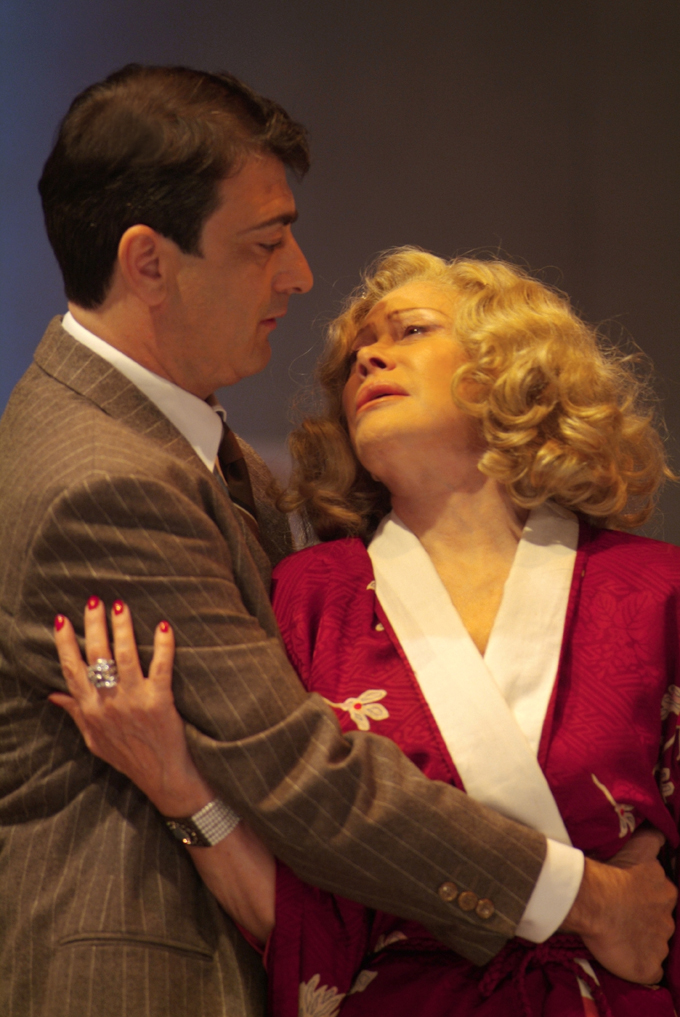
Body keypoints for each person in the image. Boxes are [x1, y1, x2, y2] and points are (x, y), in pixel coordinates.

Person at [3, 63, 653, 1017]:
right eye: (265, 242)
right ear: (149, 263)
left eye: (411, 331)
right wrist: (592, 898)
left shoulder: (651, 590)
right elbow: (294, 773)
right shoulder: (111, 484)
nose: (300, 274)